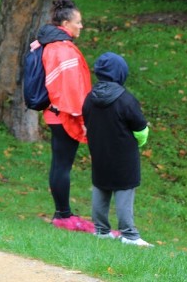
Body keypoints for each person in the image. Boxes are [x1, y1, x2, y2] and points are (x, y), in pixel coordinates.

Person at [82, 52, 152, 247]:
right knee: (124, 190)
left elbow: (86, 119)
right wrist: (139, 142)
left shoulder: (90, 98)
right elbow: (140, 128)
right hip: (124, 156)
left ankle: (101, 230)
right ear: (121, 73)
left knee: (101, 187)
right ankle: (129, 234)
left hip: (99, 152)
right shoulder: (126, 100)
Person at [38, 0, 93, 232]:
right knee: (62, 165)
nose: (81, 26)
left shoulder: (54, 44)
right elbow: (71, 90)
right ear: (66, 23)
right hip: (64, 116)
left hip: (55, 114)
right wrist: (83, 119)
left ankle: (62, 213)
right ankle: (63, 215)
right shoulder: (63, 49)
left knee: (60, 164)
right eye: (78, 22)